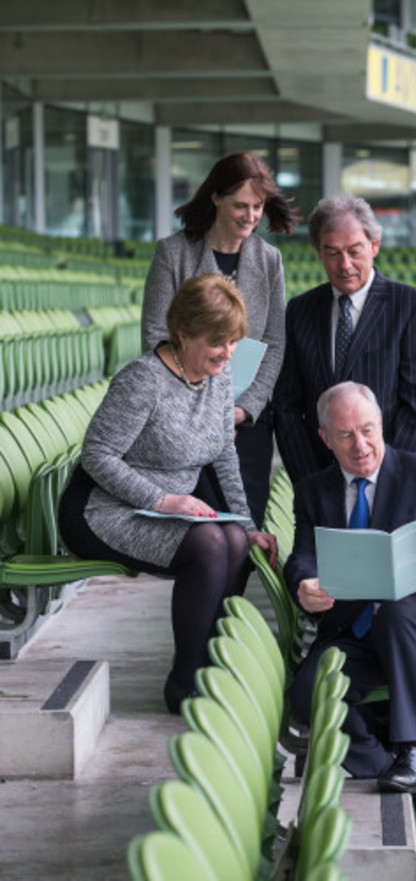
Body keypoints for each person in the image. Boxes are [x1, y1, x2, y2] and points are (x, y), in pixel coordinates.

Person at [58, 274, 277, 714]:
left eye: (233, 341)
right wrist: (161, 500)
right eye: (217, 341)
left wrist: (250, 525)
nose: (228, 352)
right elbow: (97, 455)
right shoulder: (143, 380)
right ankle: (185, 682)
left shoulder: (217, 374)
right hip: (103, 509)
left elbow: (224, 454)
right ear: (183, 334)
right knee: (211, 544)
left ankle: (211, 667)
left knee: (235, 539)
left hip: (165, 510)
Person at [285, 382, 416, 813]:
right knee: (306, 694)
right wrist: (303, 584)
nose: (360, 445)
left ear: (381, 424)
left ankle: (413, 750)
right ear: (325, 438)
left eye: (367, 429)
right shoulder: (314, 490)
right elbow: (302, 557)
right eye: (345, 435)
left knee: (401, 611)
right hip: (357, 631)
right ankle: (395, 768)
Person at [141, 152, 299, 527]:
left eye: (258, 207)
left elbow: (275, 342)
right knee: (201, 535)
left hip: (245, 421)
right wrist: (199, 400)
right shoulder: (173, 253)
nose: (250, 216)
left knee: (245, 529)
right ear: (215, 198)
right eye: (240, 206)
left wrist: (247, 406)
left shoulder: (269, 260)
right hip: (185, 418)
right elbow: (154, 337)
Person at [273, 194, 416, 485]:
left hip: (397, 483)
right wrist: (312, 480)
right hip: (322, 483)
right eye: (333, 253)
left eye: (355, 251)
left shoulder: (413, 306)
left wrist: (381, 476)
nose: (345, 264)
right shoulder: (300, 310)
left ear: (374, 246)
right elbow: (287, 405)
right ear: (318, 251)